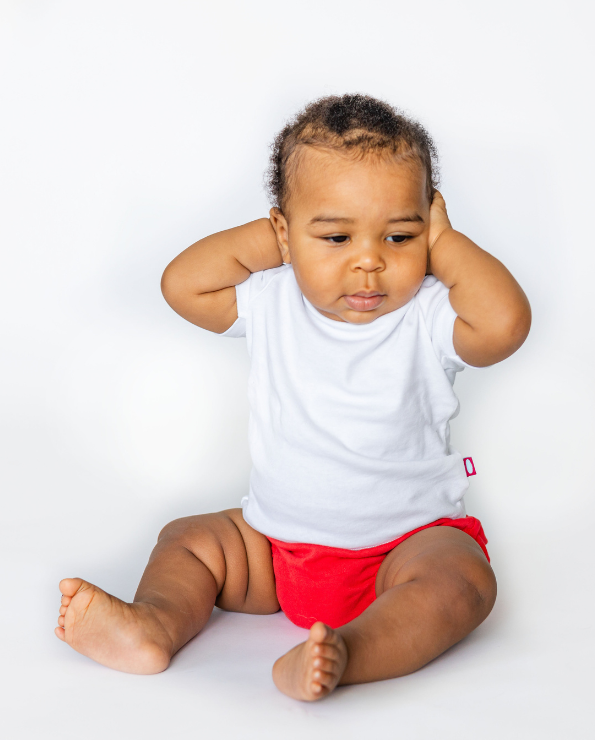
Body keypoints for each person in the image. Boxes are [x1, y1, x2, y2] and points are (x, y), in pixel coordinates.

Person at [55, 93, 531, 701]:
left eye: (399, 236)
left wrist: (445, 240)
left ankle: (348, 652)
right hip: (276, 551)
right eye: (335, 236)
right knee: (189, 539)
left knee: (463, 580)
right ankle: (155, 623)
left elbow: (505, 325)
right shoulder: (272, 298)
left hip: (404, 547)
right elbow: (181, 284)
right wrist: (285, 245)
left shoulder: (429, 313)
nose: (369, 262)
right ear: (284, 232)